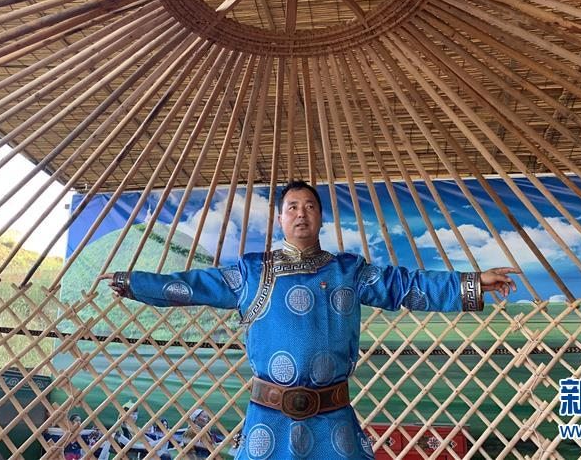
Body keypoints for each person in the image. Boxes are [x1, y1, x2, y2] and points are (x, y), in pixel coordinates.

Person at [99, 180, 519, 459]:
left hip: (332, 419)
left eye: (311, 207)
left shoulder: (348, 271)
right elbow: (190, 286)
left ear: (320, 217)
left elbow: (406, 285)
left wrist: (472, 283)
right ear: (281, 218)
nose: (302, 213)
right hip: (269, 420)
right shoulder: (253, 272)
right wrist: (132, 282)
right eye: (293, 207)